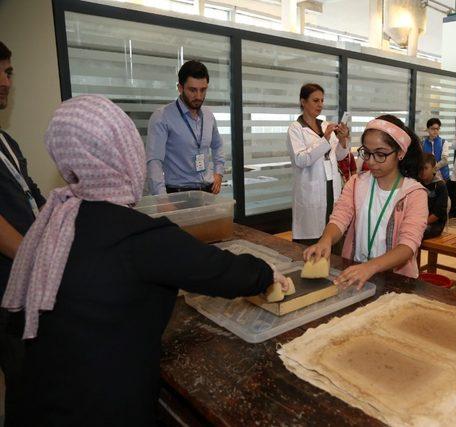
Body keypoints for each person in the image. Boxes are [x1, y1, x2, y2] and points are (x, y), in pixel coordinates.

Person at [1, 95, 288, 426]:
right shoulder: (136, 237)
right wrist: (265, 273)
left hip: (34, 402)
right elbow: (220, 270)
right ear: (122, 153)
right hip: (100, 408)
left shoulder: (56, 220)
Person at [303, 115, 427, 288]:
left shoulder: (414, 193)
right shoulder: (356, 183)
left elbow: (408, 245)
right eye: (367, 153)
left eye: (380, 154)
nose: (371, 161)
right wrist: (326, 240)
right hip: (357, 271)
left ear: (400, 153)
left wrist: (371, 266)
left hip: (396, 280)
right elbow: (340, 217)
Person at [0, 41, 47, 426]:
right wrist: (43, 258)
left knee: (34, 374)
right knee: (21, 382)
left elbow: (33, 195)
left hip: (28, 280)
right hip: (6, 289)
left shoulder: (7, 142)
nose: (5, 81)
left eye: (9, 72)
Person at [146, 60, 225, 195]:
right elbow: (154, 160)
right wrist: (161, 199)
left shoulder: (208, 115)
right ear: (180, 88)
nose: (199, 96)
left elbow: (217, 145)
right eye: (193, 90)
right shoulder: (162, 117)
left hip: (207, 191)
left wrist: (219, 173)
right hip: (178, 193)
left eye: (203, 90)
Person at [286, 83, 350, 245]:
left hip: (330, 185)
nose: (320, 105)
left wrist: (342, 140)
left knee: (332, 235)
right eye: (315, 100)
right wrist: (325, 140)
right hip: (310, 189)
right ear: (303, 102)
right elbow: (301, 159)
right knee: (311, 241)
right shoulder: (295, 129)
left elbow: (339, 156)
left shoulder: (325, 125)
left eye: (322, 100)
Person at [419, 153, 448, 239]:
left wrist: (421, 223)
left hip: (435, 224)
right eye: (420, 168)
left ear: (434, 169)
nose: (422, 171)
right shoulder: (417, 183)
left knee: (415, 233)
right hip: (419, 221)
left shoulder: (440, 185)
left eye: (425, 168)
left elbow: (438, 213)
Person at [422, 118, 450, 182]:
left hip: (442, 176)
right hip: (427, 176)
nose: (435, 131)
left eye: (437, 129)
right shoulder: (423, 143)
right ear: (428, 129)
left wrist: (433, 169)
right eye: (432, 129)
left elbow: (445, 160)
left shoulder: (444, 142)